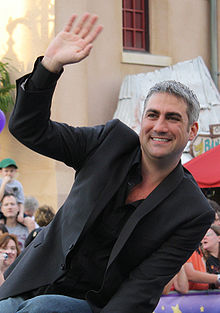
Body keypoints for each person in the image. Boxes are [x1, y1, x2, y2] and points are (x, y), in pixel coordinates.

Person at [0, 12, 214, 313]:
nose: (160, 126)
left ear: (192, 130)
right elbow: (29, 128)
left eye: (173, 118)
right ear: (140, 119)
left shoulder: (192, 210)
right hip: (30, 284)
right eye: (152, 115)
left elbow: (144, 286)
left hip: (91, 306)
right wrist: (49, 66)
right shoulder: (109, 141)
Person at [0, 158, 25, 223]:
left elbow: (21, 202)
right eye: (6, 171)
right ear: (1, 171)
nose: (9, 173)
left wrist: (21, 214)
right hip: (1, 209)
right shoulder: (0, 182)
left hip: (14, 210)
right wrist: (4, 183)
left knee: (29, 221)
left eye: (11, 171)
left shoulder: (18, 184)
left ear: (15, 171)